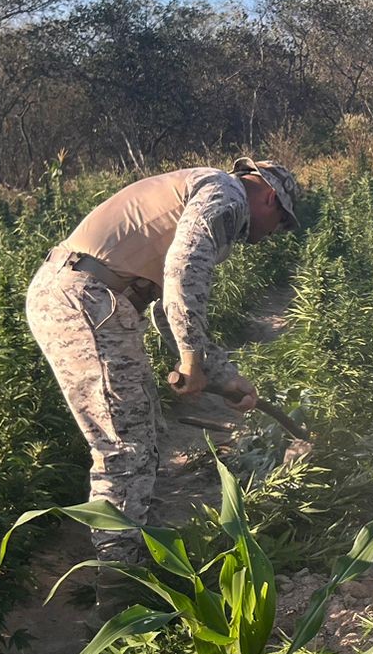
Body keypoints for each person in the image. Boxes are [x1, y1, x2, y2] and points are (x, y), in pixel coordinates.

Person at [25, 158, 301, 572]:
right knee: (124, 444)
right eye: (281, 223)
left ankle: (138, 548)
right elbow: (183, 271)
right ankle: (120, 581)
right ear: (270, 197)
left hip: (95, 300)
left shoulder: (207, 192)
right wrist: (191, 358)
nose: (272, 236)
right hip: (85, 300)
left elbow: (166, 304)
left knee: (142, 431)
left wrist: (223, 377)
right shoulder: (226, 195)